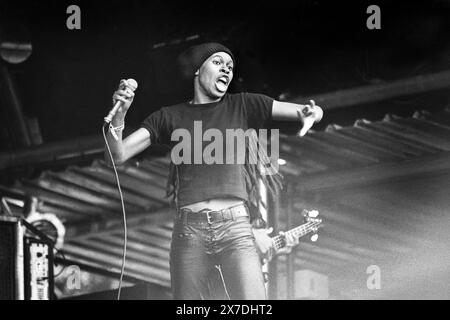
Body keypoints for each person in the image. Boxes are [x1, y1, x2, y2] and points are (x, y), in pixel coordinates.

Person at [105, 42, 323, 299]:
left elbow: (309, 111)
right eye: (218, 62)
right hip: (189, 231)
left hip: (235, 228)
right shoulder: (169, 116)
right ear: (198, 69)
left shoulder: (244, 105)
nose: (226, 70)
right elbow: (116, 155)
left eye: (230, 67)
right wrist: (120, 116)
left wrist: (312, 113)